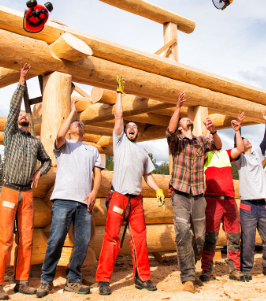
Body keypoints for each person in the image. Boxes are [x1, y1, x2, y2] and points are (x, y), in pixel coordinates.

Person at [0, 63, 52, 300]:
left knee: (26, 238)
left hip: (27, 194)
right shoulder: (11, 135)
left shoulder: (34, 143)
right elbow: (14, 108)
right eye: (20, 115)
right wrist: (21, 81)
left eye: (26, 115)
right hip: (9, 191)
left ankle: (21, 281)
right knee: (4, 238)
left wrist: (39, 173)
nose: (23, 116)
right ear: (15, 121)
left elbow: (46, 161)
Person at [96, 76, 165, 296]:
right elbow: (118, 116)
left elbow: (149, 177)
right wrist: (119, 93)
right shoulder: (119, 142)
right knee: (111, 237)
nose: (132, 128)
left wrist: (158, 189)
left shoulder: (143, 153)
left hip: (136, 201)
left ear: (138, 133)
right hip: (118, 197)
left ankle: (143, 278)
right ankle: (104, 280)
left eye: (135, 127)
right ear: (124, 131)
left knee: (140, 238)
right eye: (129, 126)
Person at [36, 99, 104, 298]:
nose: (78, 124)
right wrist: (73, 112)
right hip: (63, 200)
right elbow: (58, 134)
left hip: (84, 202)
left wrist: (93, 193)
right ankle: (46, 280)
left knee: (82, 241)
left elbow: (98, 174)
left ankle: (73, 280)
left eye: (80, 123)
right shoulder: (63, 146)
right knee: (56, 239)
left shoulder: (91, 149)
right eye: (75, 123)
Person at [167, 91, 221, 293]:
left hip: (198, 194)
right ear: (181, 126)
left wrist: (213, 131)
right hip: (180, 193)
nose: (187, 120)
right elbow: (170, 131)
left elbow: (218, 146)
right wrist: (178, 107)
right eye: (184, 120)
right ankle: (188, 277)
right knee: (182, 233)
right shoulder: (177, 142)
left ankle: (192, 267)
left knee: (200, 237)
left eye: (188, 119)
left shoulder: (200, 142)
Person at [234, 112, 266, 280]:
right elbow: (239, 144)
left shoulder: (257, 154)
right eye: (244, 140)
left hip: (262, 204)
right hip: (247, 205)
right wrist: (238, 129)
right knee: (248, 240)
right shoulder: (239, 160)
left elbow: (265, 141)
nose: (248, 141)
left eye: (248, 140)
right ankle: (246, 269)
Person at [200, 117, 246, 282]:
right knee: (210, 237)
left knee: (234, 236)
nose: (213, 140)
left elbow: (240, 148)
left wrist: (237, 131)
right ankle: (206, 269)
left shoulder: (226, 154)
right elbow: (207, 142)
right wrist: (208, 130)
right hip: (212, 200)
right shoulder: (204, 157)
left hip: (230, 200)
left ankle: (235, 269)